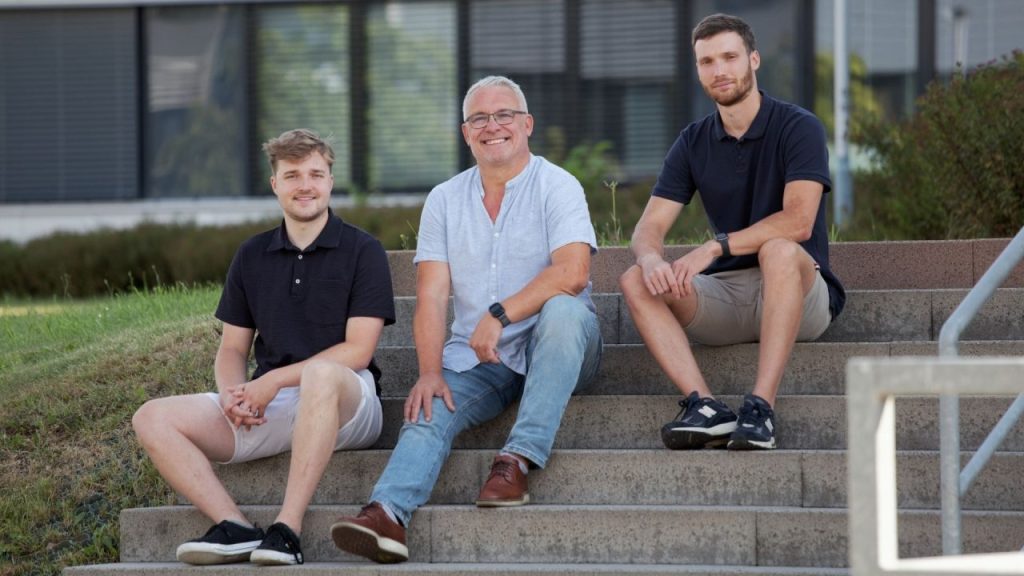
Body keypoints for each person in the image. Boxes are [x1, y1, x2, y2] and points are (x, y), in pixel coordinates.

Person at [329, 75, 602, 564]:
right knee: (430, 403)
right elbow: (431, 297)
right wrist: (430, 371)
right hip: (484, 359)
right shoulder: (444, 199)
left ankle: (516, 459)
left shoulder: (557, 184)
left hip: (563, 348)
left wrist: (501, 313)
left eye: (504, 116)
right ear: (465, 132)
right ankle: (387, 513)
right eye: (479, 117)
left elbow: (574, 274)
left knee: (562, 308)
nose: (492, 126)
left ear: (527, 125)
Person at [132, 129, 395, 566]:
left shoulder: (362, 250)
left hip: (349, 401)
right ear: (275, 184)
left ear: (330, 180)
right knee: (153, 416)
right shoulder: (252, 254)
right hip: (277, 404)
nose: (305, 185)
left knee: (322, 374)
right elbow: (233, 349)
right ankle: (234, 527)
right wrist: (235, 395)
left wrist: (270, 381)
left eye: (315, 174)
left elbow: (358, 351)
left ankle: (287, 530)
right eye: (292, 175)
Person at [619, 13, 845, 452]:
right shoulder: (692, 141)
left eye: (729, 57)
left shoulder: (799, 127)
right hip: (729, 296)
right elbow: (649, 226)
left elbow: (799, 221)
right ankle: (704, 406)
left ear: (753, 60)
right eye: (706, 61)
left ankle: (760, 409)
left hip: (800, 291)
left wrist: (714, 247)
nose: (719, 70)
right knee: (634, 279)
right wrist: (649, 258)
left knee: (779, 250)